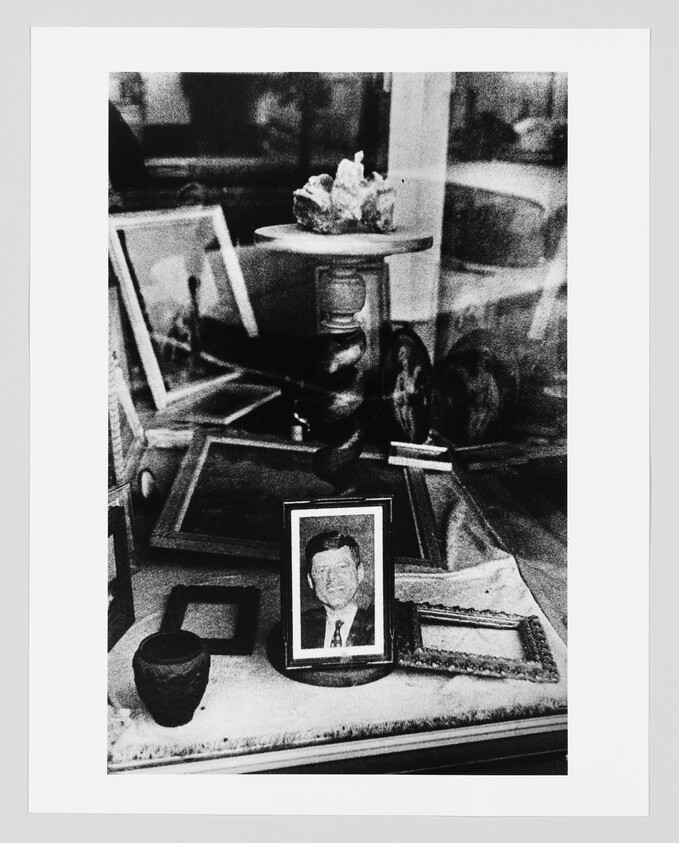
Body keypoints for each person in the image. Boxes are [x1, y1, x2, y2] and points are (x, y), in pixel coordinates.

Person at [301, 531, 374, 650]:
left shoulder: (381, 624)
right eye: (321, 570)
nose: (332, 577)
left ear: (359, 572)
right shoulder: (299, 628)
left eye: (342, 567)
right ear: (310, 580)